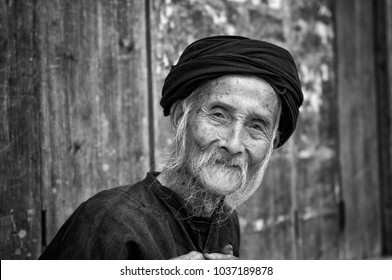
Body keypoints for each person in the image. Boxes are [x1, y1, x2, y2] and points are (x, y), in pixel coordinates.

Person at [39, 35, 303, 260]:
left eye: (257, 126)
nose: (234, 144)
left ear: (272, 142)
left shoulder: (225, 220)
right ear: (180, 118)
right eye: (219, 115)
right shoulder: (108, 220)